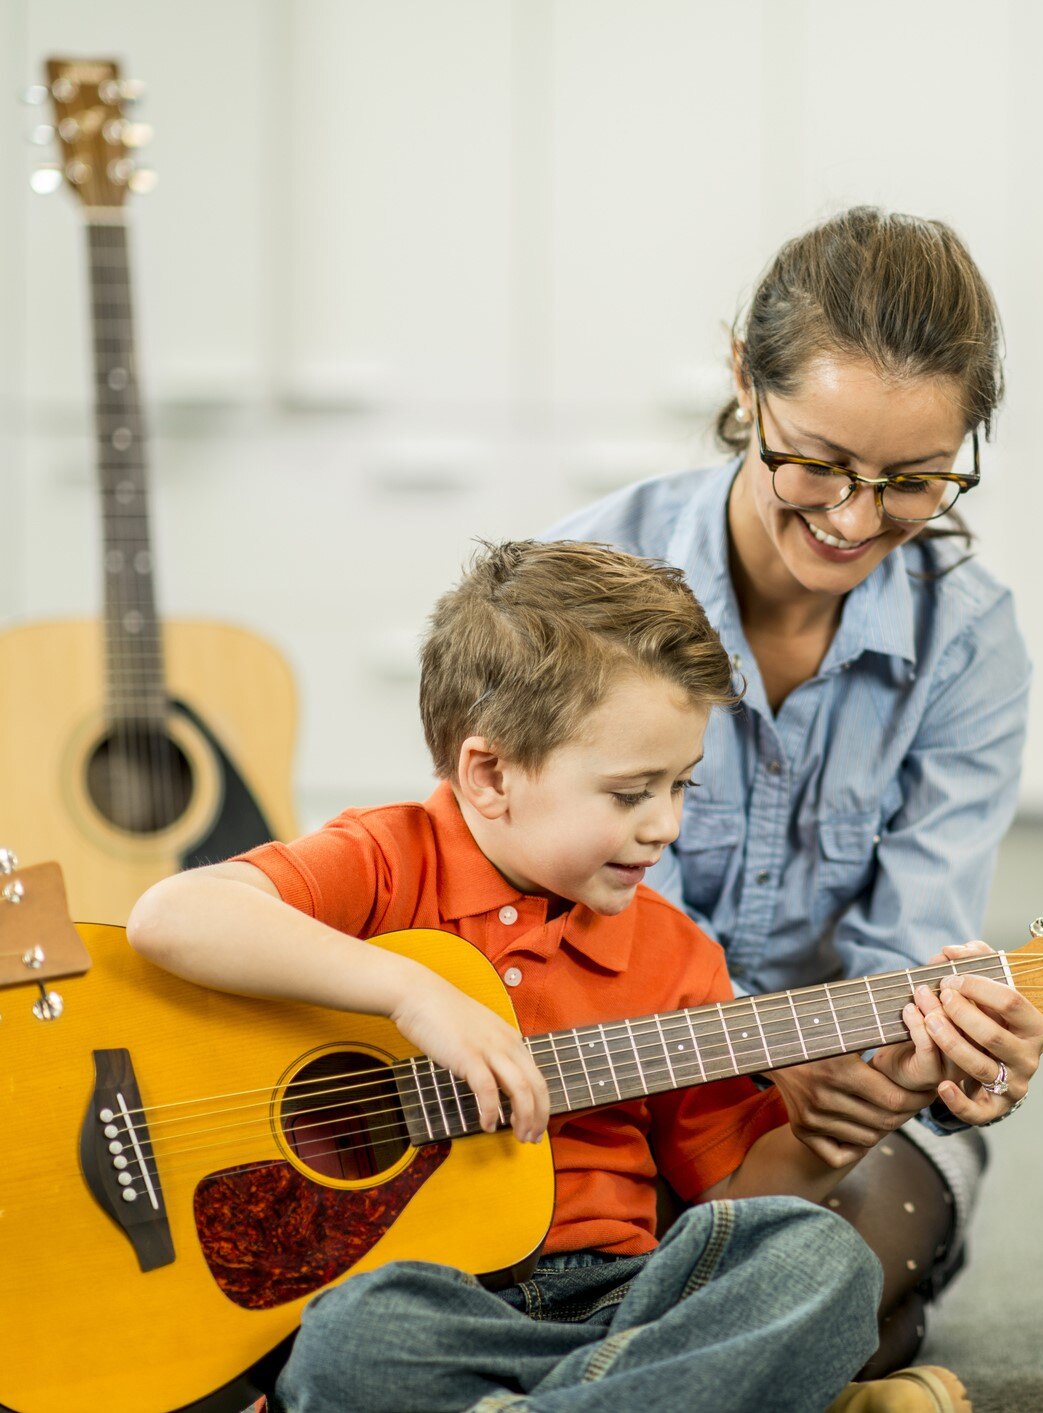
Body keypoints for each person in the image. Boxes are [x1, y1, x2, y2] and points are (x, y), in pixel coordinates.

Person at [128, 539, 998, 1413]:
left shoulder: (674, 955)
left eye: (682, 786)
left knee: (818, 1257)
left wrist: (828, 1133)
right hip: (427, 1300)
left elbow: (733, 1195)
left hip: (617, 1300)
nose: (665, 825)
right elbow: (173, 915)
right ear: (490, 773)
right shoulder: (386, 859)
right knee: (353, 1337)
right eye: (630, 793)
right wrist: (411, 991)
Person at [548, 207, 1043, 1371]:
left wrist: (922, 1058)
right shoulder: (579, 587)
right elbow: (529, 921)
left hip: (837, 1102)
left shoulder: (969, 644)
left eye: (914, 481)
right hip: (602, 1079)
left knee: (841, 1257)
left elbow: (906, 947)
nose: (853, 519)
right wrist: (741, 1062)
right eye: (816, 462)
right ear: (743, 377)